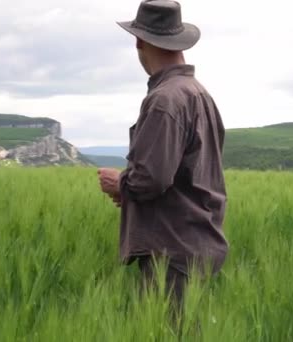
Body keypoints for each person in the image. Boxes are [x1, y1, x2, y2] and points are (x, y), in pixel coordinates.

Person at [98, 0, 229, 313]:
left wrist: (121, 184)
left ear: (139, 41)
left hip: (170, 254)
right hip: (197, 247)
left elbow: (151, 179)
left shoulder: (165, 99)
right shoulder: (199, 93)